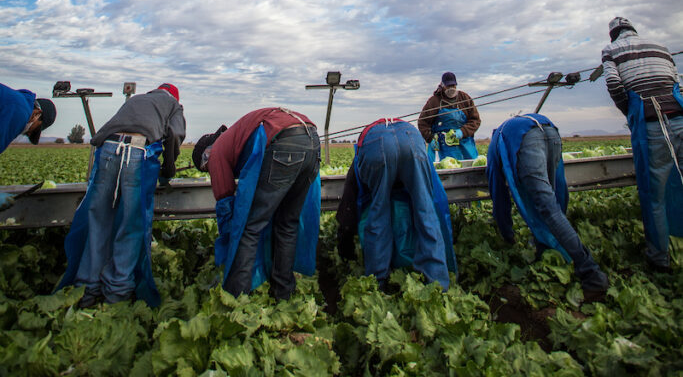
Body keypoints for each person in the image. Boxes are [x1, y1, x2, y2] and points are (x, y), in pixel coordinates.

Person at [59, 82, 185, 307]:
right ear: (174, 97)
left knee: (99, 220)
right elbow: (174, 135)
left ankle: (85, 292)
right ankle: (116, 295)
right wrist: (167, 171)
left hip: (107, 150)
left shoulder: (137, 100)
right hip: (136, 153)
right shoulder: (173, 105)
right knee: (131, 225)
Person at [193, 107, 320, 300]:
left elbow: (225, 198)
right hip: (311, 141)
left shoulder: (217, 150)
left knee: (249, 228)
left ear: (206, 155)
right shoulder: (237, 137)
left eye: (205, 167)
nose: (209, 169)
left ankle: (238, 297)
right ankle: (283, 293)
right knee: (287, 224)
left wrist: (229, 239)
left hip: (284, 143)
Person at [487, 113, 608, 301]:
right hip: (550, 130)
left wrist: (507, 235)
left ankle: (591, 274)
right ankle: (545, 250)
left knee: (548, 208)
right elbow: (558, 186)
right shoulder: (515, 125)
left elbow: (498, 193)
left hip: (529, 142)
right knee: (552, 200)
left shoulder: (497, 142)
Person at [602, 16, 683, 271]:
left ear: (613, 35)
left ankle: (659, 260)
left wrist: (632, 112)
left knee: (654, 193)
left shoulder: (611, 50)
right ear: (634, 30)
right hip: (680, 117)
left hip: (653, 122)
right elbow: (676, 82)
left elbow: (614, 83)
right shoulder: (660, 46)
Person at [336, 118, 455, 291]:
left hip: (376, 147)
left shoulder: (363, 149)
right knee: (425, 211)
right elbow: (435, 196)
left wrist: (344, 245)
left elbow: (349, 202)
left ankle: (378, 283)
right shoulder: (408, 132)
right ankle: (437, 283)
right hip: (412, 139)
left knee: (378, 213)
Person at [0, 83, 56, 211]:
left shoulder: (14, 100)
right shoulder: (20, 111)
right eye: (34, 129)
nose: (27, 132)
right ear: (37, 113)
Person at [418, 72, 481, 161]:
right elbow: (422, 122)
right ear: (442, 85)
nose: (451, 89)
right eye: (448, 86)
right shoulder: (434, 101)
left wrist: (462, 132)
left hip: (465, 145)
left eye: (453, 86)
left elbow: (475, 120)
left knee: (469, 165)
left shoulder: (464, 98)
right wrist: (430, 138)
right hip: (442, 147)